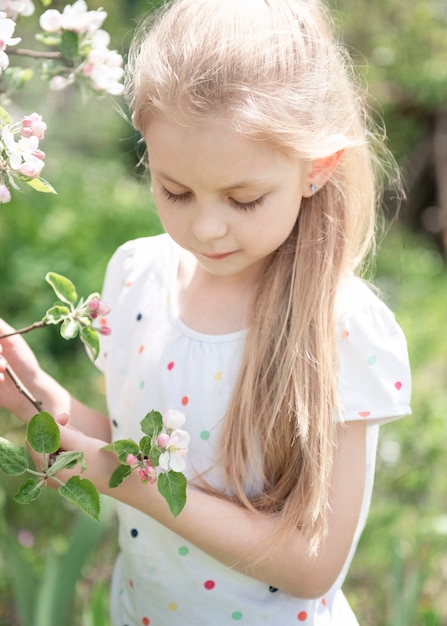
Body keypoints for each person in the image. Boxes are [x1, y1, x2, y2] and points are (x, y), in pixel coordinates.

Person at [0, 0, 412, 624]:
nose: (207, 227)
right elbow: (135, 448)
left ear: (316, 169)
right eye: (175, 191)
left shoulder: (340, 327)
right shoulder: (136, 275)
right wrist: (31, 391)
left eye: (245, 199)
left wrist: (121, 478)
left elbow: (311, 564)